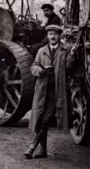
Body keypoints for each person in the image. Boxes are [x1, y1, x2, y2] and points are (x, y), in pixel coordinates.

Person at [24, 24, 77, 159]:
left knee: (46, 119)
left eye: (55, 34)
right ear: (47, 36)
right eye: (50, 34)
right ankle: (43, 151)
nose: (52, 36)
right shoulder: (41, 51)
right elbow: (34, 66)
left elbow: (69, 68)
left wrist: (72, 55)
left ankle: (32, 146)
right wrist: (40, 70)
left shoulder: (66, 50)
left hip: (57, 91)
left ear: (60, 36)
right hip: (42, 89)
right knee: (41, 118)